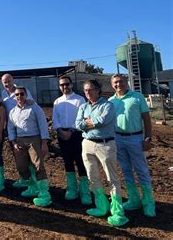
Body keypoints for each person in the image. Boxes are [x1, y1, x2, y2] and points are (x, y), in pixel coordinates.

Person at [76, 79, 128, 227]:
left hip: (105, 144)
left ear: (98, 90)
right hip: (87, 144)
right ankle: (101, 205)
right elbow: (78, 124)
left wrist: (88, 122)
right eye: (85, 90)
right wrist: (90, 122)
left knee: (112, 177)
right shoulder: (83, 106)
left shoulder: (108, 105)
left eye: (90, 89)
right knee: (93, 176)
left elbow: (103, 120)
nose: (87, 92)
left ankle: (117, 211)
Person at [109, 74, 155, 217]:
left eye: (121, 82)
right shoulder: (110, 101)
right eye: (115, 82)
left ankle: (148, 202)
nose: (118, 85)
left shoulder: (137, 97)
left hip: (135, 138)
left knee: (141, 169)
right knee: (126, 169)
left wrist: (147, 138)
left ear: (126, 82)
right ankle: (134, 199)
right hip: (118, 138)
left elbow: (146, 118)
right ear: (112, 85)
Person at [8, 86, 52, 207]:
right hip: (19, 141)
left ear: (26, 95)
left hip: (34, 139)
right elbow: (11, 128)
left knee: (38, 165)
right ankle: (32, 187)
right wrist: (13, 143)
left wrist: (44, 143)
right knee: (21, 166)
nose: (19, 96)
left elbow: (43, 124)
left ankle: (44, 194)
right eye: (17, 95)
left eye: (22, 94)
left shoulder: (34, 108)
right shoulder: (13, 112)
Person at [53, 75, 91, 204]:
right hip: (62, 134)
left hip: (76, 134)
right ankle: (72, 188)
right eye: (62, 85)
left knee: (80, 161)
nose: (65, 87)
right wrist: (60, 130)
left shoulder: (80, 100)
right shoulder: (57, 102)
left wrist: (70, 131)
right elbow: (55, 118)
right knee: (67, 161)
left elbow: (83, 118)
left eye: (67, 84)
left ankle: (85, 191)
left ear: (71, 84)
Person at [1, 74, 37, 189]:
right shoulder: (2, 94)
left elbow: (31, 103)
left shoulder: (21, 91)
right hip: (12, 127)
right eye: (4, 82)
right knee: (18, 154)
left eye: (9, 81)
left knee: (29, 156)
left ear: (13, 80)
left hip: (25, 127)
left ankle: (33, 181)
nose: (7, 84)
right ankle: (24, 178)